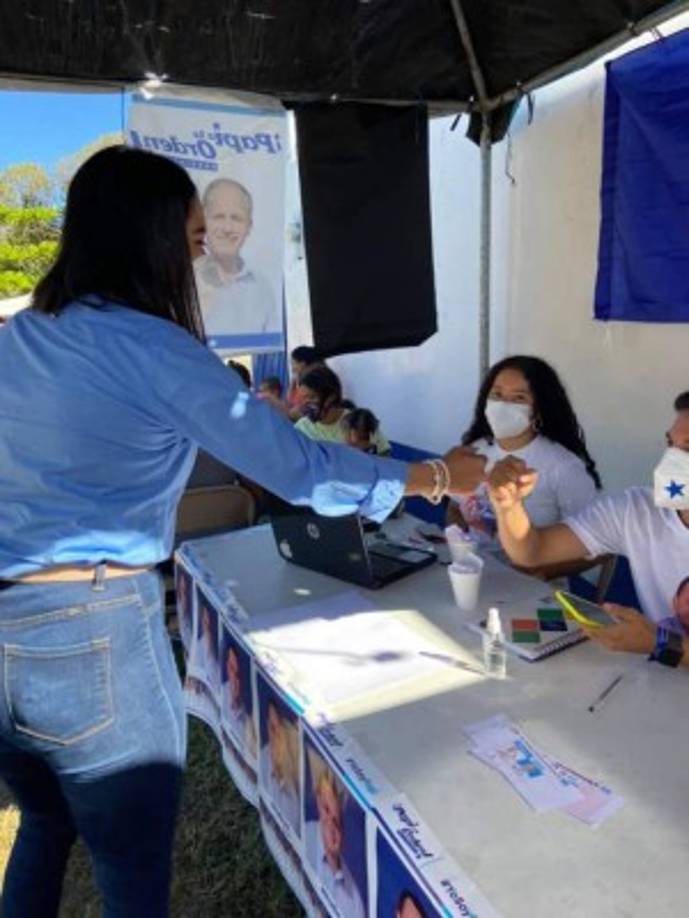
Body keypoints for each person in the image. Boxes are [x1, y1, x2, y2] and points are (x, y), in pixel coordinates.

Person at [0, 145, 485, 917]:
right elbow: (299, 471)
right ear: (148, 238)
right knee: (131, 871)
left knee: (44, 827)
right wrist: (434, 478)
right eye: (194, 239)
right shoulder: (152, 344)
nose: (202, 254)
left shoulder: (20, 338)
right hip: (91, 627)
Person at [487, 390, 689, 666]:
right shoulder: (637, 511)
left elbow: (661, 644)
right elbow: (532, 551)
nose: (673, 459)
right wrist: (507, 505)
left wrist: (662, 643)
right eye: (671, 444)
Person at [448, 356, 600, 540]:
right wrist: (459, 545)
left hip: (530, 569)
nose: (504, 405)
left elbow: (587, 541)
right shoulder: (474, 451)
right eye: (497, 395)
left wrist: (537, 567)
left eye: (519, 398)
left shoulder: (564, 467)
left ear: (539, 409)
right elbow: (454, 508)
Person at [194, 178, 278, 338]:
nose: (227, 228)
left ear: (249, 226)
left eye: (236, 218)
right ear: (204, 221)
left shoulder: (262, 289)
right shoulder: (183, 282)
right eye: (218, 216)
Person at [307, 763, 365, 918]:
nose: (329, 821)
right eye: (325, 808)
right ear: (317, 800)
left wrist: (334, 862)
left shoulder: (354, 900)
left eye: (334, 814)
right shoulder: (305, 835)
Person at [295, 365, 391, 455]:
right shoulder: (301, 429)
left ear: (331, 397)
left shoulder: (359, 422)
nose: (304, 404)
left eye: (311, 397)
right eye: (303, 398)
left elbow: (384, 456)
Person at [262, 700, 301, 836]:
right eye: (271, 728)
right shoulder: (265, 755)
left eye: (278, 730)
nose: (273, 736)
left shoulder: (300, 780)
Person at [222, 642, 257, 759]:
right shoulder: (223, 692)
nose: (235, 678)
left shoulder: (251, 713)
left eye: (238, 673)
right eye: (231, 669)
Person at [287, 345, 321, 419]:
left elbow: (293, 411)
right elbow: (290, 403)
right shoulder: (300, 380)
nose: (292, 369)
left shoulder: (315, 379)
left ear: (302, 364)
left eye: (293, 364)